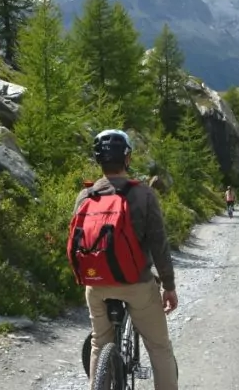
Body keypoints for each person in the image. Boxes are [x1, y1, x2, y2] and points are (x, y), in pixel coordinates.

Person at [79, 129, 179, 390]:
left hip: (96, 284)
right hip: (136, 284)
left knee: (99, 344)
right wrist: (168, 286)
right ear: (127, 159)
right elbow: (159, 245)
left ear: (99, 161)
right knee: (159, 348)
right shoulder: (143, 194)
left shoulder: (85, 196)